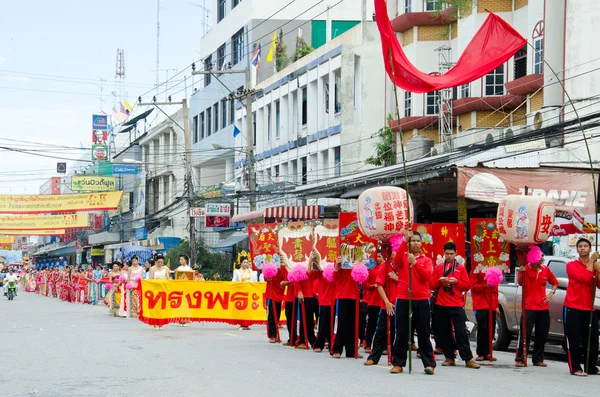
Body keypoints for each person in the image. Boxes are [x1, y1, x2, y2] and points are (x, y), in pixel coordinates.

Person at [390, 230, 436, 375]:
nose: (415, 243)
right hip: (404, 298)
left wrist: (415, 263)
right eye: (412, 241)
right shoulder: (403, 257)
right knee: (402, 332)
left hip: (422, 299)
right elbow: (395, 262)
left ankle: (429, 364)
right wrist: (405, 240)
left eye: (417, 240)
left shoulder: (426, 260)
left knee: (423, 332)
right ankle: (398, 363)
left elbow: (427, 277)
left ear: (421, 243)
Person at [429, 242, 479, 369]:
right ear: (444, 253)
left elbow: (467, 286)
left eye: (452, 254)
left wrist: (456, 282)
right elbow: (430, 284)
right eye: (447, 254)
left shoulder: (461, 268)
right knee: (444, 332)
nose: (449, 256)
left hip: (456, 303)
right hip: (441, 304)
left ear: (456, 253)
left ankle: (468, 358)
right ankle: (449, 357)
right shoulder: (439, 267)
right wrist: (439, 281)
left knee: (461, 332)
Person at [514, 246, 558, 367]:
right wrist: (522, 271)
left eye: (542, 256)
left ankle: (538, 358)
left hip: (542, 307)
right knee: (525, 333)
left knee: (542, 333)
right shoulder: (526, 268)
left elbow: (555, 282)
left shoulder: (545, 269)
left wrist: (551, 293)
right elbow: (521, 283)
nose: (541, 258)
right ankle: (520, 358)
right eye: (539, 256)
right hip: (529, 306)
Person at [563, 238, 600, 376]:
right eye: (580, 246)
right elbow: (585, 278)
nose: (583, 248)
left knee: (592, 340)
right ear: (577, 249)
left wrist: (598, 267)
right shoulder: (571, 265)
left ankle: (591, 367)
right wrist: (591, 262)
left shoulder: (594, 266)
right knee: (573, 339)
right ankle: (576, 367)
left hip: (589, 308)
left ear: (590, 249)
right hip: (572, 306)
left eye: (586, 246)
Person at [364, 245, 398, 366]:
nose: (393, 254)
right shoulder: (385, 266)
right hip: (387, 305)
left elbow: (410, 284)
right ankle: (374, 356)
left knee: (399, 332)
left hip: (401, 304)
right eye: (391, 252)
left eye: (395, 252)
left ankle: (397, 359)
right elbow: (379, 284)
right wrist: (387, 302)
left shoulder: (405, 265)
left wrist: (397, 278)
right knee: (380, 331)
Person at [331, 254, 364, 359]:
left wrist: (360, 266)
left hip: (355, 296)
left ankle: (351, 350)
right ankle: (337, 349)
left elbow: (363, 278)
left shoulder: (359, 259)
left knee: (353, 325)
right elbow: (334, 278)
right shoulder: (340, 260)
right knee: (342, 324)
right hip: (342, 296)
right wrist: (337, 265)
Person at [470, 260, 499, 362]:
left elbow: (495, 291)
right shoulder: (476, 269)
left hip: (491, 305)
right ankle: (481, 352)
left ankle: (488, 352)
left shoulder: (493, 269)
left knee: (491, 329)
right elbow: (473, 287)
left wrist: (496, 305)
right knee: (482, 328)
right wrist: (484, 286)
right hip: (480, 304)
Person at [313, 263, 336, 353]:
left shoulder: (337, 266)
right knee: (323, 324)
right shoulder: (320, 268)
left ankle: (332, 344)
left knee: (334, 324)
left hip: (335, 299)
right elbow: (311, 276)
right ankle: (319, 344)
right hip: (324, 299)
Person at [364, 253, 384, 354]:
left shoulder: (387, 268)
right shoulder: (371, 269)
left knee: (383, 325)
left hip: (384, 302)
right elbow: (365, 284)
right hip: (373, 301)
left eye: (380, 256)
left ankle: (383, 346)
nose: (378, 259)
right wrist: (373, 285)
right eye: (377, 257)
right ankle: (367, 344)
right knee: (371, 324)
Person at [232, 257, 257, 330]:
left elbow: (254, 282)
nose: (246, 264)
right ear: (240, 263)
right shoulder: (237, 271)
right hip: (241, 293)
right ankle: (242, 324)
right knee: (242, 309)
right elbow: (234, 281)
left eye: (247, 262)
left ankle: (246, 324)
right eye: (244, 262)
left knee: (248, 309)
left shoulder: (252, 272)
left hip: (249, 292)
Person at [264, 264, 285, 343]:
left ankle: (275, 334)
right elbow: (265, 277)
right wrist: (268, 277)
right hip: (271, 295)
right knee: (271, 316)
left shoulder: (283, 267)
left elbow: (286, 278)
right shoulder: (271, 265)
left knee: (277, 315)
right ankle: (272, 335)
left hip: (279, 294)